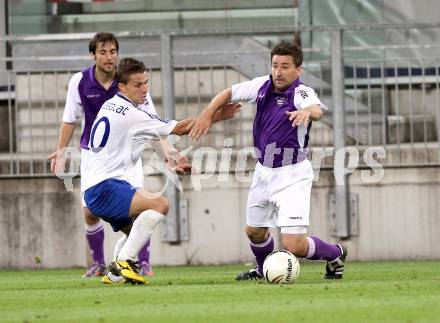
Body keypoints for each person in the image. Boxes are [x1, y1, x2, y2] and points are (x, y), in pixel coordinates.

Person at [189, 41, 347, 280]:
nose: (278, 72)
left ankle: (335, 254)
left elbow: (316, 109)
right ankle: (263, 270)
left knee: (293, 244)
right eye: (275, 65)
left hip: (292, 174)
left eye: (285, 66)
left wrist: (306, 112)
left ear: (298, 70)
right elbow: (228, 93)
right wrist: (207, 113)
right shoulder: (262, 85)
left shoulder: (301, 92)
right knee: (254, 232)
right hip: (264, 171)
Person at [83, 57, 240, 284]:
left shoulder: (112, 104)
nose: (144, 89)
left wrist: (171, 158)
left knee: (134, 232)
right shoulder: (131, 113)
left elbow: (155, 136)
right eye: (138, 85)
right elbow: (179, 128)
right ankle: (124, 262)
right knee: (160, 204)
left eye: (146, 82)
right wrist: (214, 114)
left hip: (98, 187)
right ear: (122, 87)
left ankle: (116, 274)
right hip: (104, 187)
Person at [48, 32, 165, 277]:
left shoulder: (130, 82)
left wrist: (167, 155)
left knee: (139, 207)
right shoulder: (79, 81)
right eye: (103, 52)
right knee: (90, 212)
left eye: (113, 51)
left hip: (127, 155)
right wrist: (61, 151)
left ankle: (142, 263)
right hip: (94, 156)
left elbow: (152, 124)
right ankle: (97, 264)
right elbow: (69, 119)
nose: (109, 57)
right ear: (93, 55)